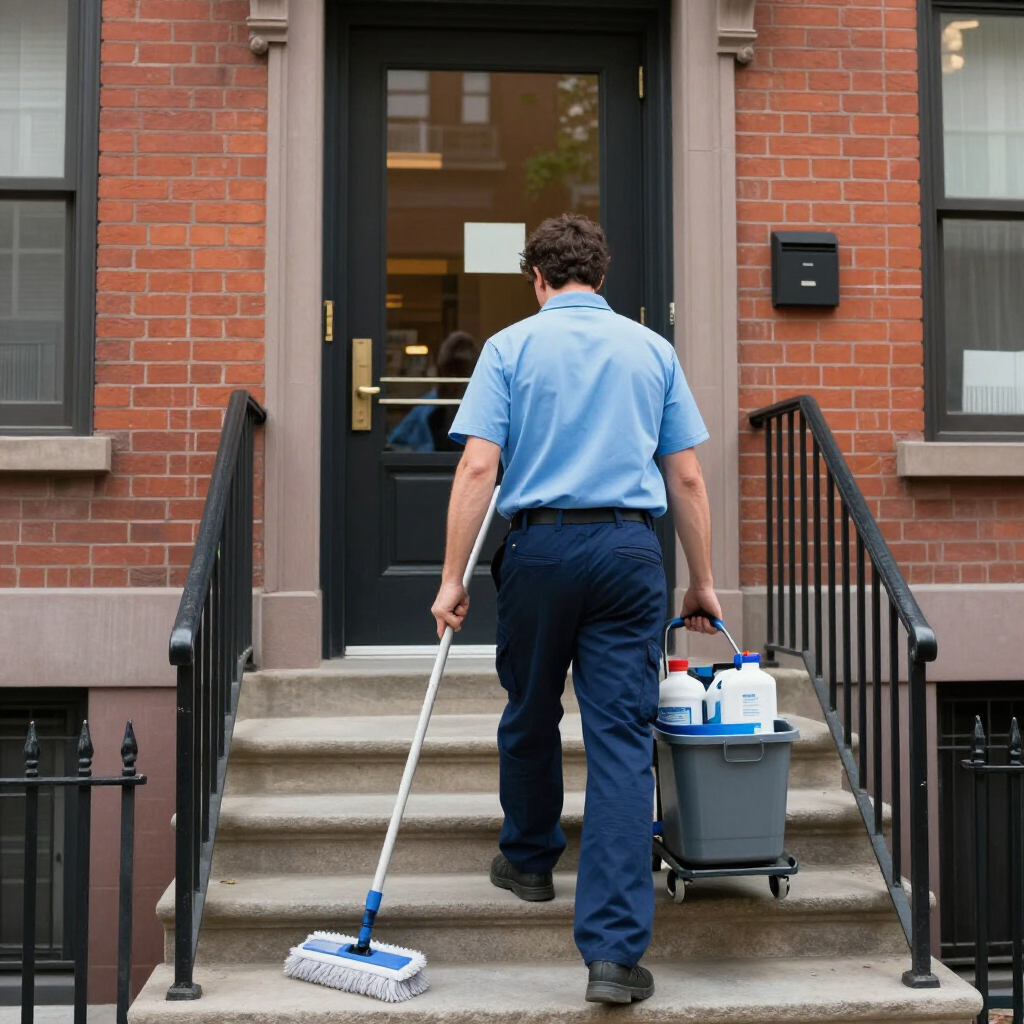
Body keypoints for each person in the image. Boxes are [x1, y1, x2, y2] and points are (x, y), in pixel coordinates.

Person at [430, 214, 722, 1005]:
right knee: (622, 743)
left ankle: (528, 861)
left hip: (541, 550)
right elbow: (686, 479)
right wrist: (700, 581)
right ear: (602, 273)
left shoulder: (510, 348)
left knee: (529, 706)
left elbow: (478, 469)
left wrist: (452, 577)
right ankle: (615, 957)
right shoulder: (652, 351)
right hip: (630, 552)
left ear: (537, 278)